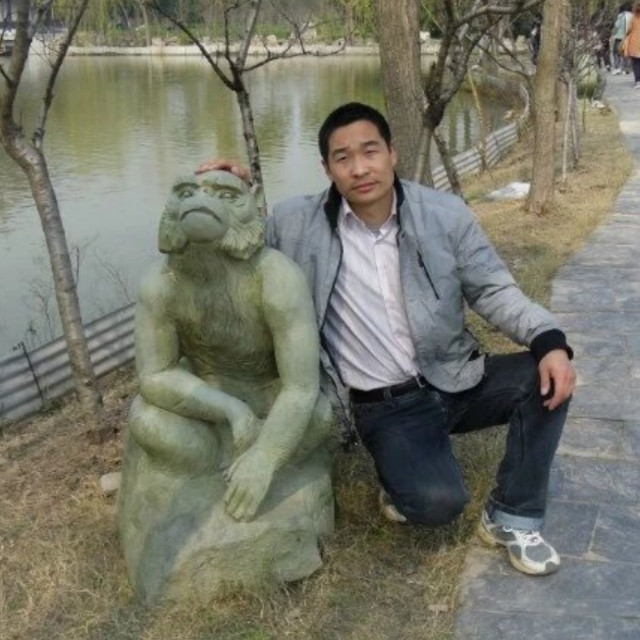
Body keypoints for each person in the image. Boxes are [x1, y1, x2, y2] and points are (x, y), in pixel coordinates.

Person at [197, 102, 576, 577]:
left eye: (370, 151)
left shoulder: (444, 215)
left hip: (454, 374)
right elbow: (243, 252)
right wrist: (233, 190)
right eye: (343, 158)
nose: (360, 168)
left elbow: (493, 289)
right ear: (327, 169)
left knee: (549, 378)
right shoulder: (294, 226)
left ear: (392, 153)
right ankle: (398, 477)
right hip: (384, 403)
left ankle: (511, 517)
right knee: (438, 505)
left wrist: (548, 340)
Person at [611, 3, 632, 75]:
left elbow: (617, 25)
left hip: (619, 37)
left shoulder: (621, 15)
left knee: (616, 52)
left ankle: (617, 68)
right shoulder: (632, 16)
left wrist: (613, 34)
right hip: (629, 37)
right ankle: (626, 69)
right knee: (626, 53)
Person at [625, 2, 640, 86]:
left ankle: (638, 81)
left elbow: (628, 30)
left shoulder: (633, 18)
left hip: (634, 44)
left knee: (636, 63)